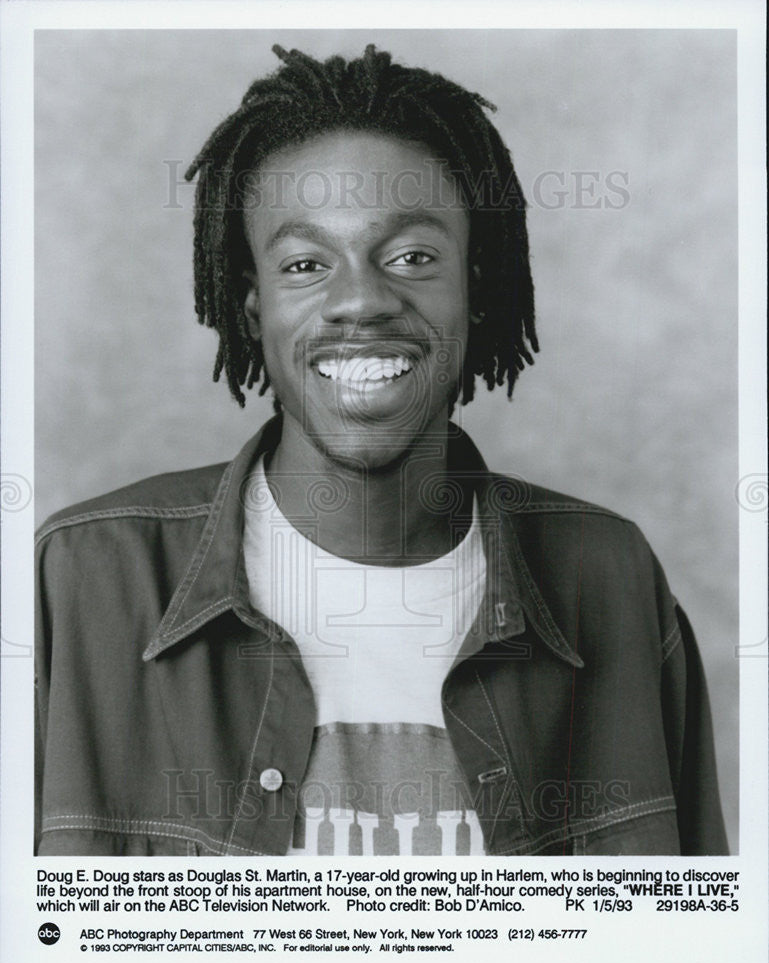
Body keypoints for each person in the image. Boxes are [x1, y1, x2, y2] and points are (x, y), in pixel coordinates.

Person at [35, 44, 727, 857]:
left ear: (477, 287)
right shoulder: (83, 583)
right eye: (304, 263)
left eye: (411, 257)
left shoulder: (606, 579)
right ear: (252, 308)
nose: (361, 298)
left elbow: (679, 950)